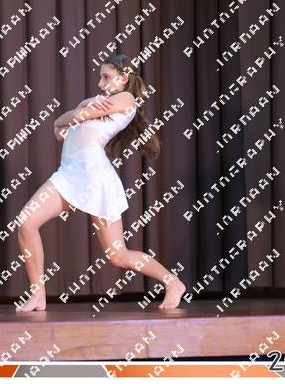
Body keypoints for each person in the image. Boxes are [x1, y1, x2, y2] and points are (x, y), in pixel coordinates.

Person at [15, 54, 186, 312]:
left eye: (106, 77)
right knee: (26, 223)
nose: (100, 83)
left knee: (118, 256)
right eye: (100, 77)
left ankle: (172, 282)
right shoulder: (99, 100)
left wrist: (71, 115)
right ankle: (38, 294)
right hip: (68, 174)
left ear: (123, 78)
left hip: (95, 178)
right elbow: (61, 128)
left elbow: (74, 117)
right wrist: (70, 116)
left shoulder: (126, 98)